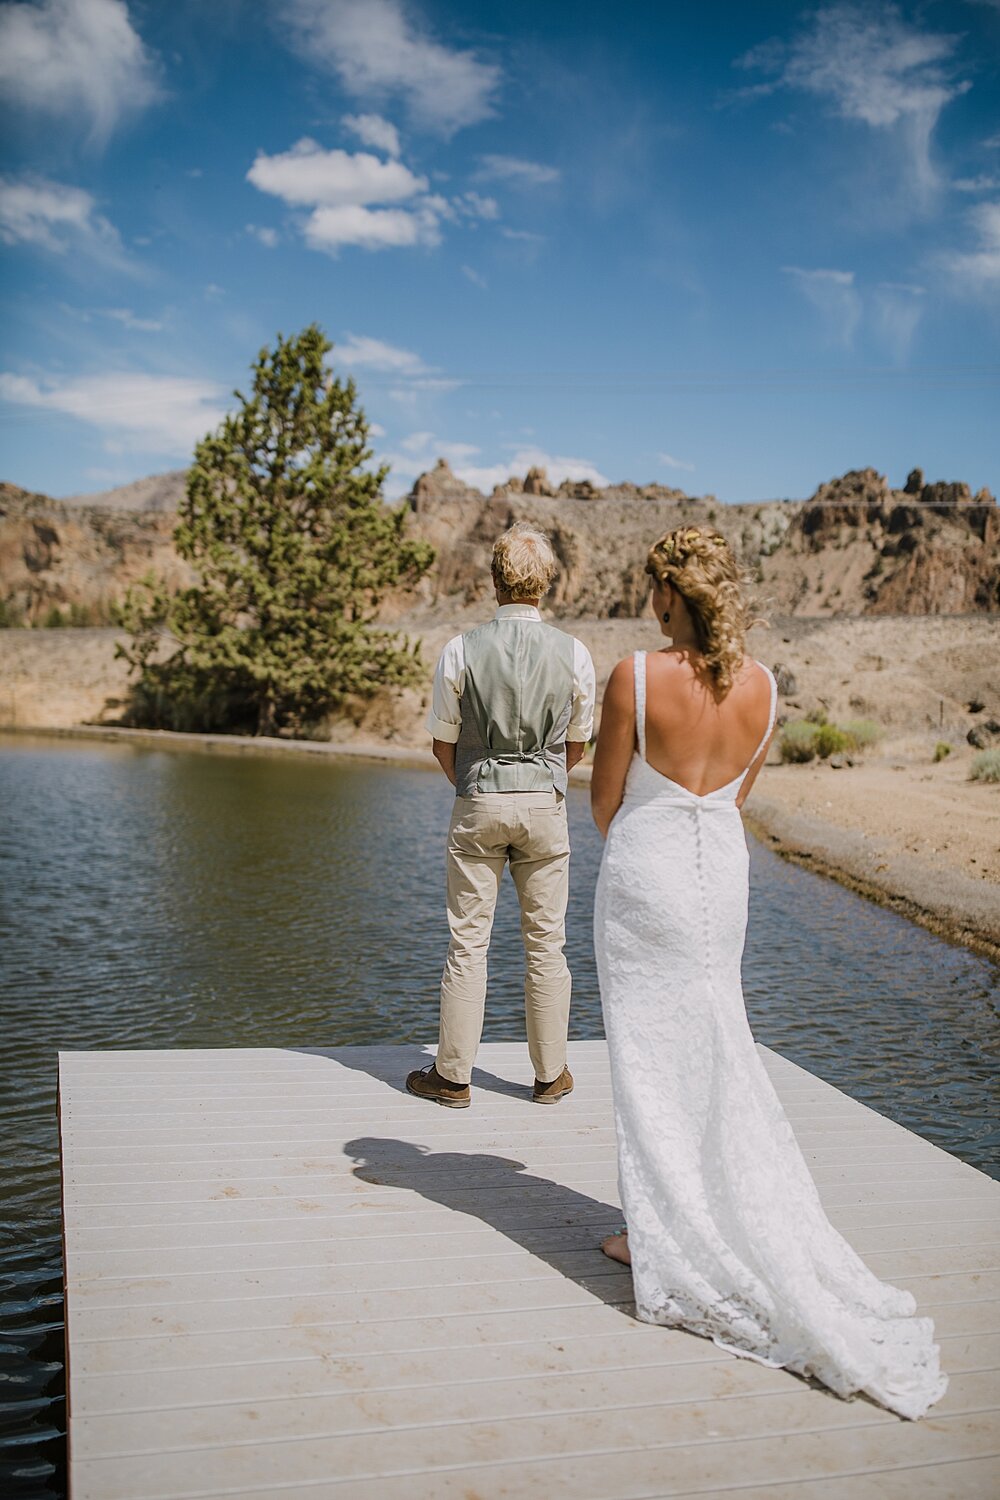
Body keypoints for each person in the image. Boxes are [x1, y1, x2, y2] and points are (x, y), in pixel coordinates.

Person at [590, 525, 946, 1420]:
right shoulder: (767, 688)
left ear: (669, 592)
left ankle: (659, 1237)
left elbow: (603, 800)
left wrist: (645, 840)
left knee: (648, 1057)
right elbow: (736, 795)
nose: (647, 604)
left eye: (652, 589)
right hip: (722, 875)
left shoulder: (633, 675)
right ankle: (681, 1220)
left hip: (649, 875)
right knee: (715, 1041)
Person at [407, 522, 596, 1109]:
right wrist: (543, 782)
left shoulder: (460, 650)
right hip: (545, 803)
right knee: (546, 943)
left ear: (495, 579)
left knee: (468, 943)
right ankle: (549, 1076)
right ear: (547, 584)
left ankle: (454, 1078)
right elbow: (579, 743)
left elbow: (443, 743)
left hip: (478, 800)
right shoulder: (575, 653)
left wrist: (475, 787)